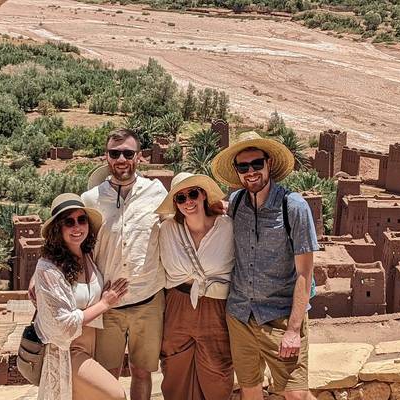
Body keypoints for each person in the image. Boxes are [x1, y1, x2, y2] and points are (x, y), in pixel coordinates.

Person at [211, 132, 319, 400]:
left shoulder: (293, 207)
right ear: (237, 171)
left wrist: (294, 330)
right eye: (243, 167)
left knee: (296, 394)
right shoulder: (236, 203)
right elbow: (212, 210)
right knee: (250, 389)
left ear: (269, 163)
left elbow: (305, 272)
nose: (251, 172)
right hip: (240, 315)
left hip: (280, 318)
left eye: (256, 164)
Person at [81, 128, 168, 400]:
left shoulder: (156, 192)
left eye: (128, 153)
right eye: (115, 153)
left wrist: (215, 208)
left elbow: (180, 228)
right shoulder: (91, 199)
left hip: (149, 301)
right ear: (106, 157)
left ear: (139, 157)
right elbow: (76, 246)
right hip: (108, 306)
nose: (121, 159)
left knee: (142, 372)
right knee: (107, 375)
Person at [33, 193, 129, 400]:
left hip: (92, 347)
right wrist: (105, 303)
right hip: (68, 352)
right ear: (57, 229)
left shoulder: (87, 256)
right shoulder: (49, 269)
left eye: (81, 219)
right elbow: (64, 324)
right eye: (69, 222)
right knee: (116, 395)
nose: (77, 227)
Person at [155, 172, 235, 400]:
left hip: (216, 305)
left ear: (203, 195)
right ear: (175, 204)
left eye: (192, 194)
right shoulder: (168, 230)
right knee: (175, 366)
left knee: (217, 368)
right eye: (180, 198)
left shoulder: (226, 227)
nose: (188, 202)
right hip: (178, 305)